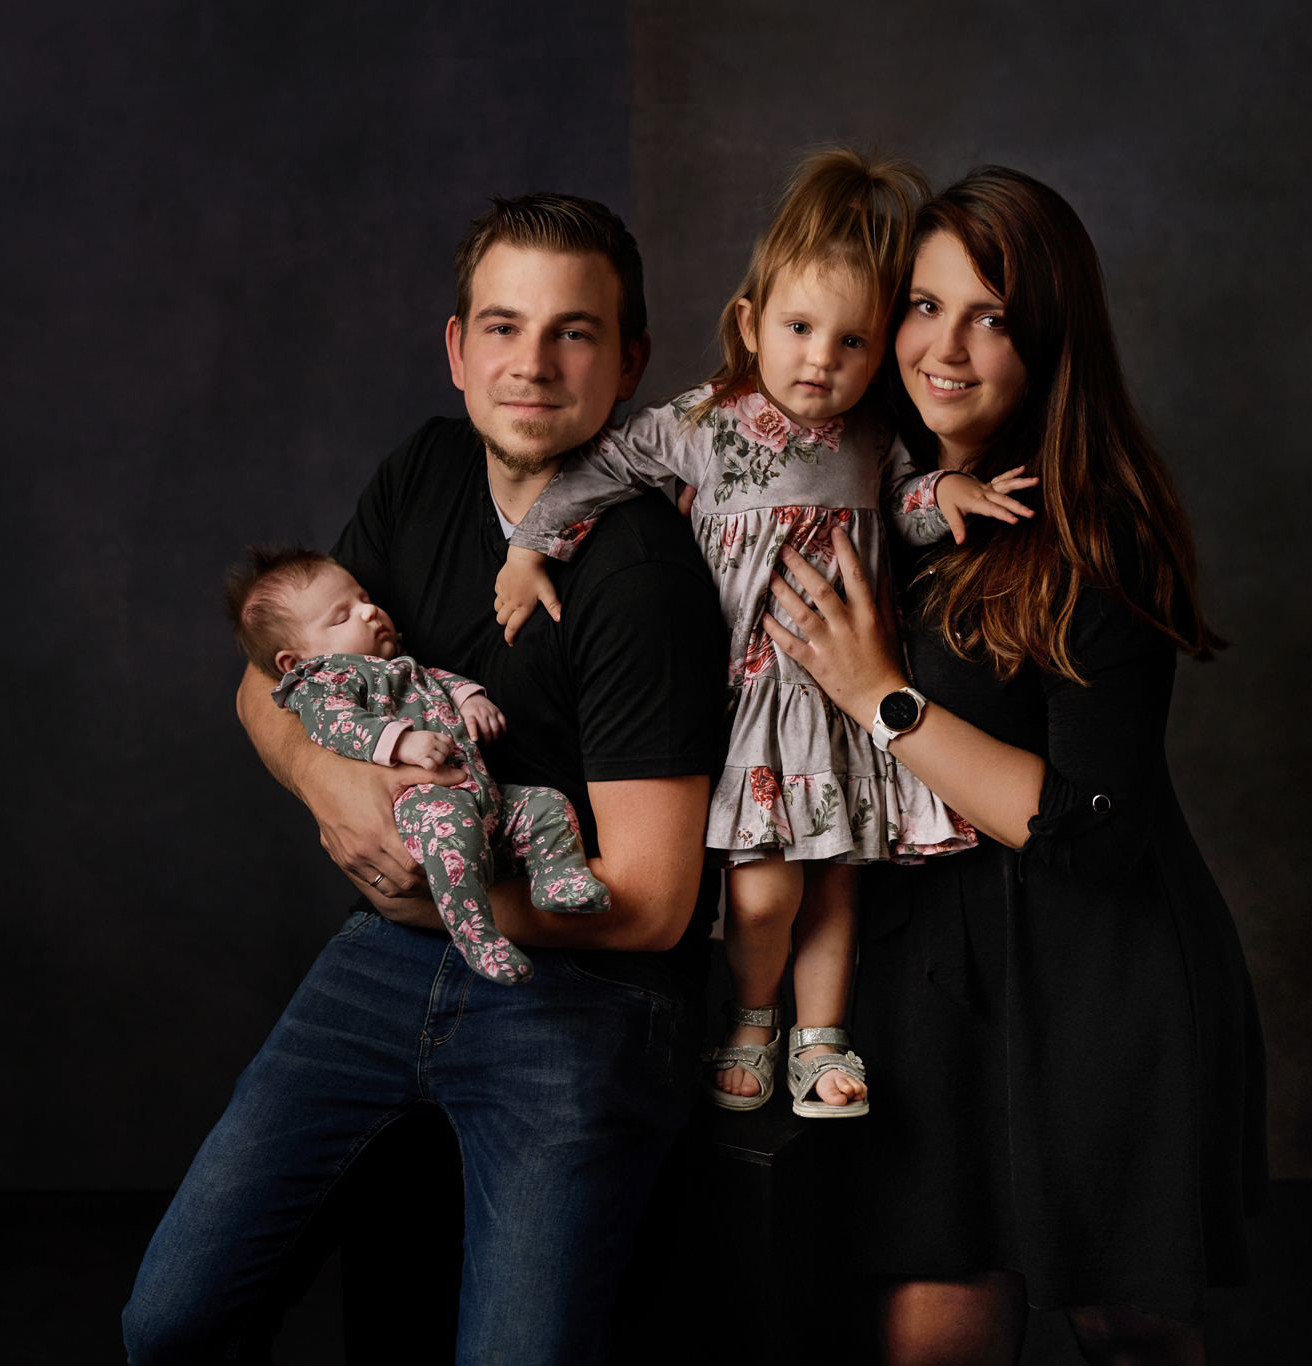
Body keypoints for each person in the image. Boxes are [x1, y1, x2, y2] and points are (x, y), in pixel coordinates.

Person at [123, 194, 729, 1365]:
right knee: (170, 1323)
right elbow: (268, 681)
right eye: (502, 327)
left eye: (573, 332)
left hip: (579, 996)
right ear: (456, 348)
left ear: (629, 364)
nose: (531, 365)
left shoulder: (642, 573)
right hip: (387, 962)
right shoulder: (427, 469)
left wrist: (431, 898)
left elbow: (653, 901)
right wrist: (328, 783)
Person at [758, 167, 1267, 1364]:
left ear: (1048, 339)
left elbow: (1094, 824)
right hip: (926, 985)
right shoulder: (855, 485)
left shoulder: (1095, 527)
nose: (944, 348)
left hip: (1096, 976)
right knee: (931, 1335)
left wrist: (879, 699)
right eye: (924, 305)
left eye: (989, 317)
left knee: (1128, 1328)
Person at [492, 149, 1035, 1118]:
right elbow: (600, 467)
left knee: (834, 887)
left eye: (852, 341)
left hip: (843, 702)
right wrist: (532, 547)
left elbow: (904, 505)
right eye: (798, 328)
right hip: (750, 700)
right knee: (761, 893)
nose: (821, 359)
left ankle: (821, 1038)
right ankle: (751, 1018)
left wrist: (947, 493)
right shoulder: (705, 422)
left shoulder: (874, 436)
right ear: (750, 324)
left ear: (880, 349)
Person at [224, 544, 611, 985]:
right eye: (342, 616)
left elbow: (438, 680)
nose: (369, 612)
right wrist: (401, 742)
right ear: (296, 661)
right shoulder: (324, 683)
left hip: (485, 796)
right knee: (453, 844)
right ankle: (478, 934)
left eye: (364, 598)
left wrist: (469, 698)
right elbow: (338, 724)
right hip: (423, 806)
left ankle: (559, 878)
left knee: (546, 805)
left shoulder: (402, 666)